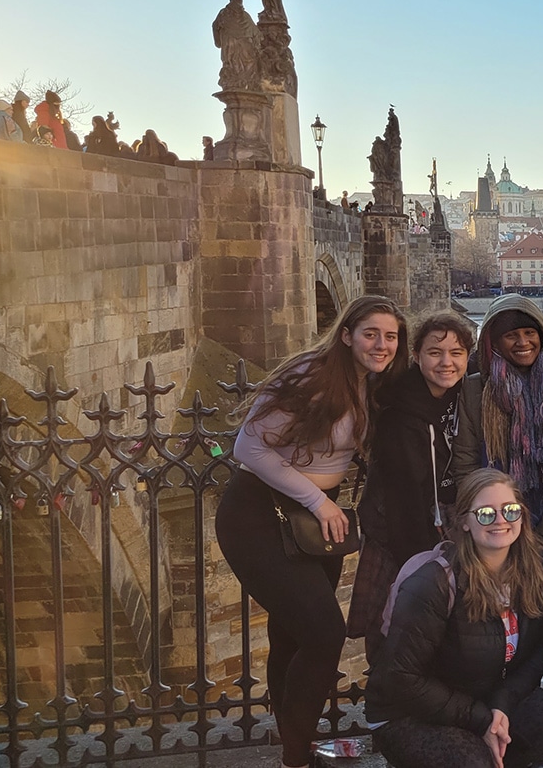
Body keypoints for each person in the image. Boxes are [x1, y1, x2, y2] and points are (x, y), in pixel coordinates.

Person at [215, 295, 408, 768]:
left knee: (292, 637)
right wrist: (318, 499)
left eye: (390, 336)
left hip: (310, 524)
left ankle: (292, 745)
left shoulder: (372, 384)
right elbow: (248, 447)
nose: (381, 344)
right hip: (260, 515)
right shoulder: (312, 376)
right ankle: (298, 756)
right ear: (346, 334)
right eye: (371, 333)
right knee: (324, 633)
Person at [366, 469, 543, 768]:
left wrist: (502, 703)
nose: (501, 520)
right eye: (486, 513)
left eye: (510, 510)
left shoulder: (538, 569)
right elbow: (402, 678)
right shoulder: (434, 583)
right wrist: (481, 719)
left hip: (483, 694)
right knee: (469, 762)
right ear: (464, 521)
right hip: (408, 710)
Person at [348, 311, 474, 657]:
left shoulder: (467, 394)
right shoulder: (399, 411)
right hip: (400, 528)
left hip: (449, 520)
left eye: (456, 353)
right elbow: (400, 498)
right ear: (417, 355)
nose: (446, 362)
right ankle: (390, 695)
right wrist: (417, 559)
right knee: (396, 619)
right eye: (435, 353)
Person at [449, 293, 543, 551]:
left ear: (542, 336)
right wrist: (485, 520)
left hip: (541, 518)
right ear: (495, 342)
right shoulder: (474, 389)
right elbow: (465, 463)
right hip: (489, 522)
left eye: (530, 332)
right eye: (511, 335)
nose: (523, 342)